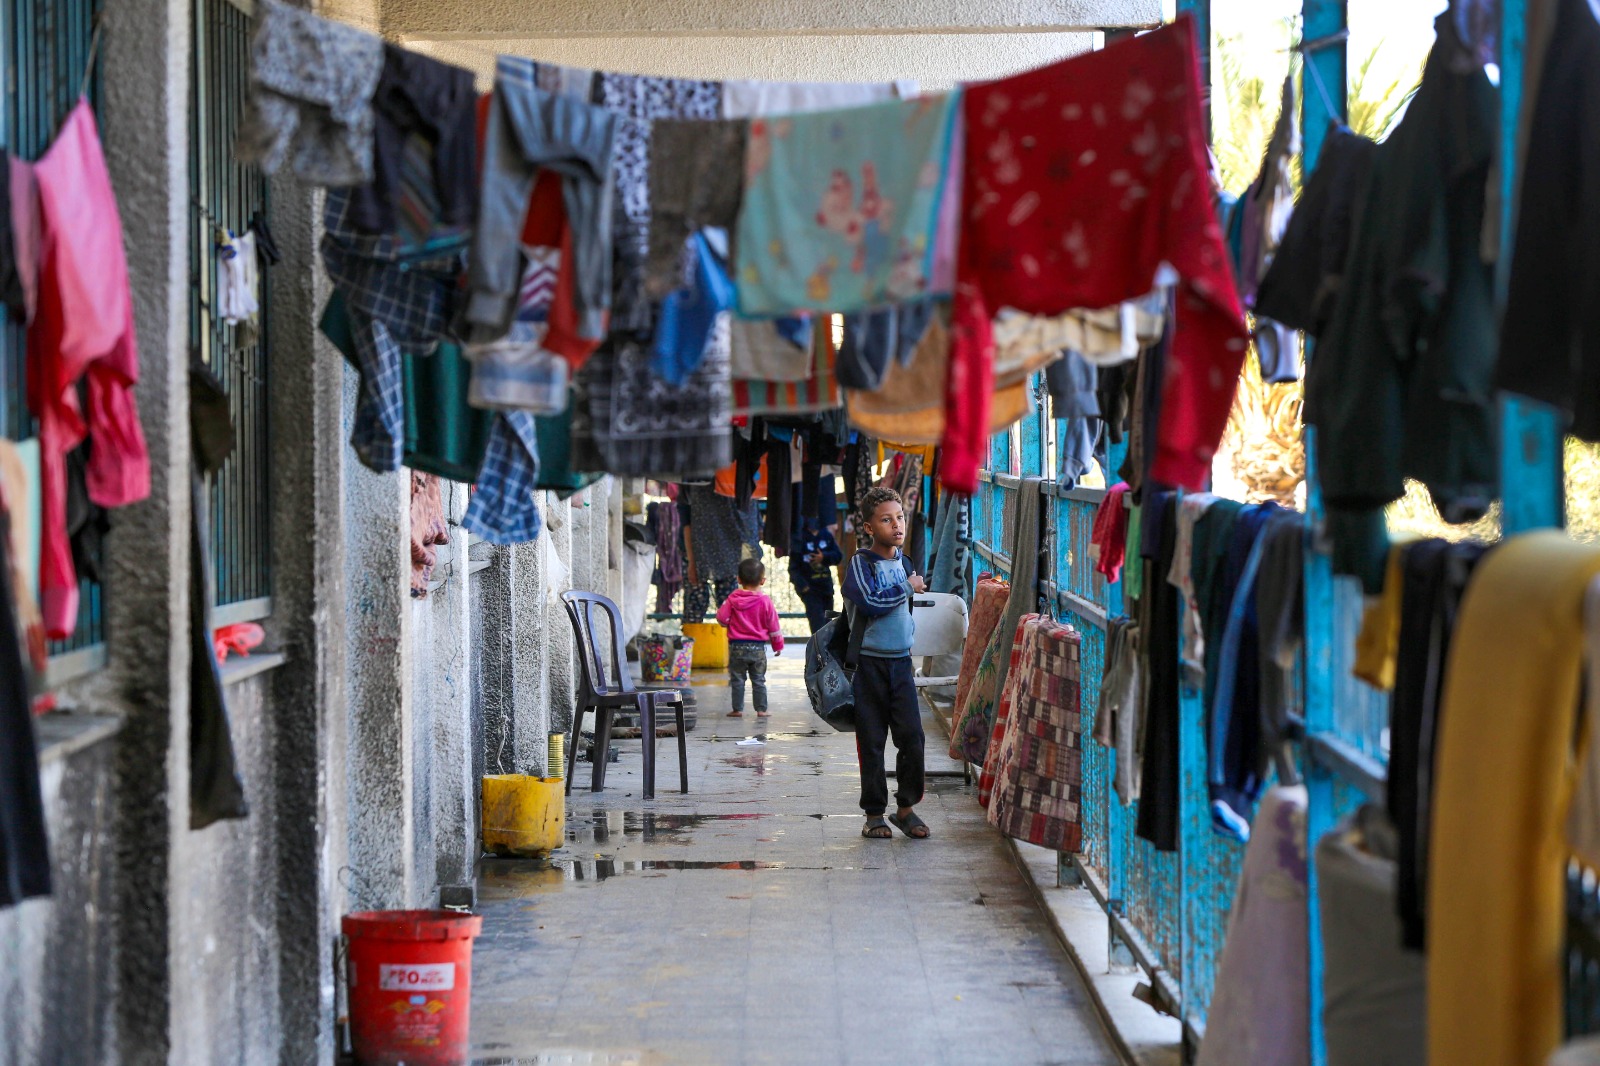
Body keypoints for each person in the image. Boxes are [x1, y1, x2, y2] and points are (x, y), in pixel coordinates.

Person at [841, 486, 930, 840]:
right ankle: (874, 814)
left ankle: (906, 809)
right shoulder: (860, 564)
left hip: (901, 665)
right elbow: (871, 602)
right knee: (872, 741)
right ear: (868, 527)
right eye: (886, 520)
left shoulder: (905, 563)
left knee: (913, 738)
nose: (897, 525)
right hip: (869, 667)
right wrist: (908, 587)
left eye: (900, 518)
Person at [716, 558, 785, 718]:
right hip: (758, 648)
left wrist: (728, 623)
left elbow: (722, 618)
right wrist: (778, 645)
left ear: (739, 579)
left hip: (736, 647)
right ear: (763, 581)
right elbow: (774, 626)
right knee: (758, 679)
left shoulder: (732, 599)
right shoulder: (765, 601)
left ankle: (737, 709)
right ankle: (761, 710)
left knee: (737, 679)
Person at [789, 513, 844, 634]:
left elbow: (838, 556)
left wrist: (824, 557)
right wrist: (803, 587)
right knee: (817, 624)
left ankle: (827, 646)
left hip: (826, 587)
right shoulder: (800, 538)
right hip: (810, 590)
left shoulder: (826, 535)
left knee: (828, 624)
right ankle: (818, 646)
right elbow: (793, 568)